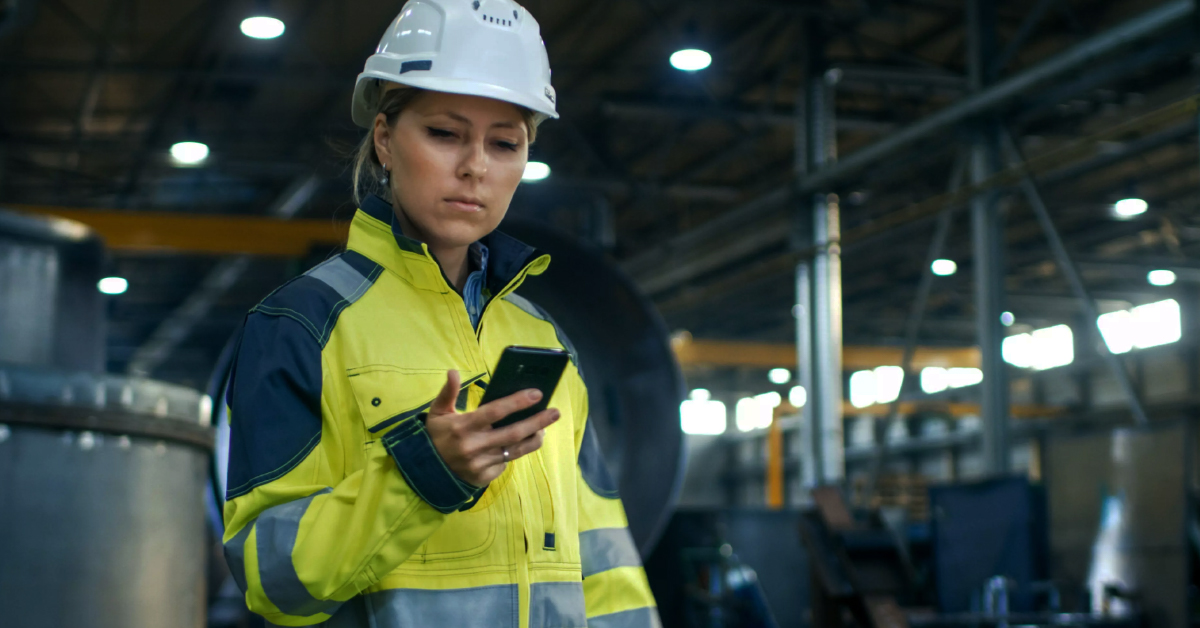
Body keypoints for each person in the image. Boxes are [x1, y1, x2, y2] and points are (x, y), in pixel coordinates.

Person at [220, 1, 660, 627]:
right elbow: (273, 582)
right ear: (384, 141)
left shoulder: (540, 336)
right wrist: (420, 473)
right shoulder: (300, 325)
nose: (476, 166)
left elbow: (605, 558)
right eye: (445, 134)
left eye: (504, 143)